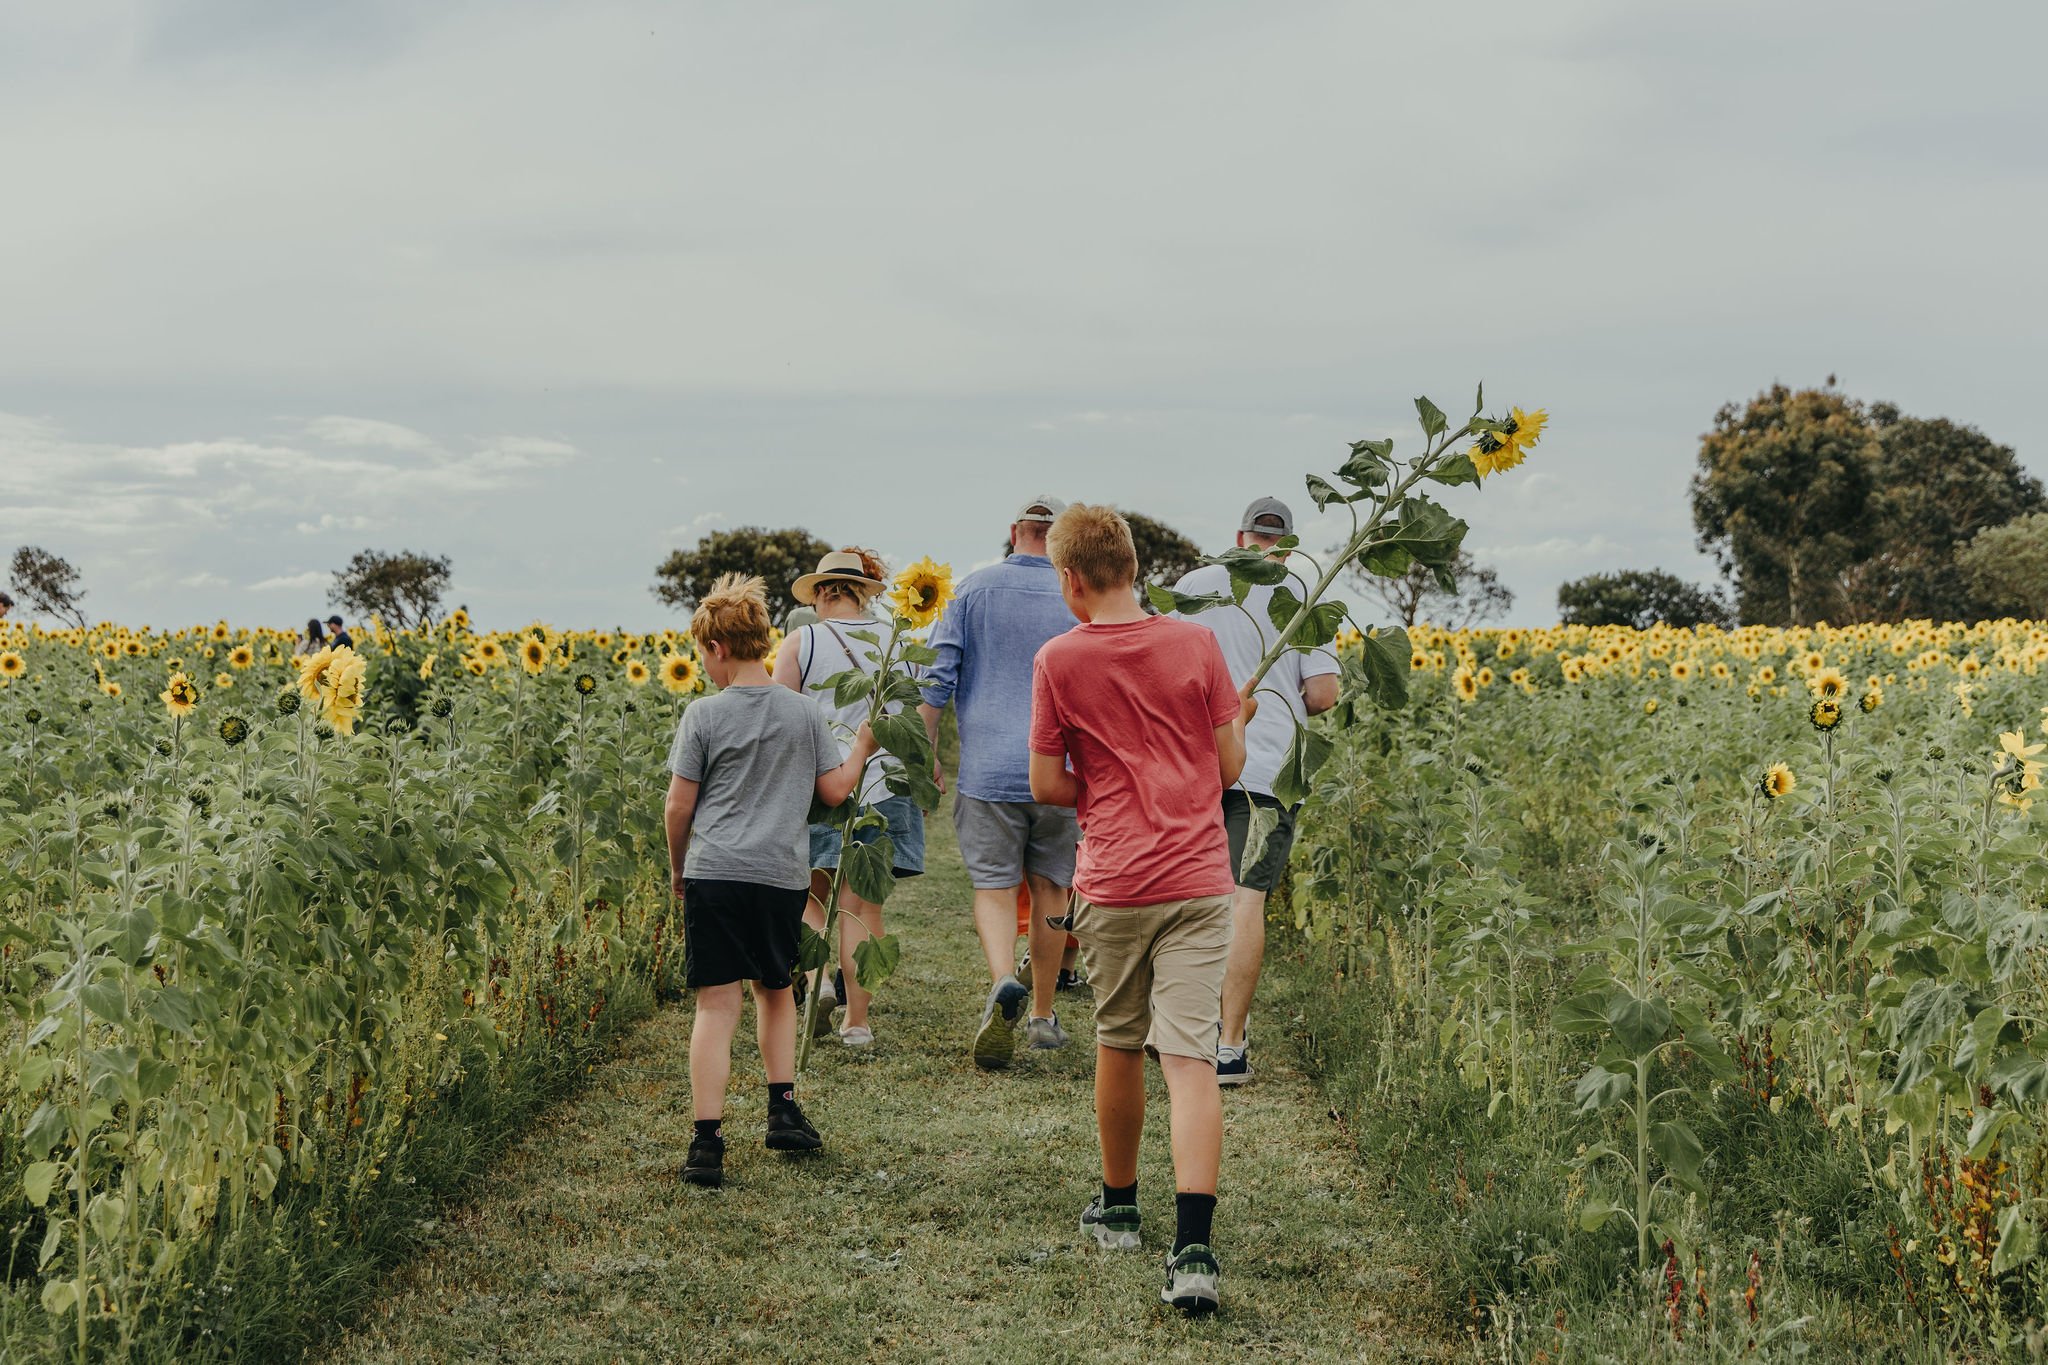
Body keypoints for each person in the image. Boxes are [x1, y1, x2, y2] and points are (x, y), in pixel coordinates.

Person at [1028, 503, 1252, 1315]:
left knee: (1120, 1039)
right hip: (1197, 877)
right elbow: (1228, 766)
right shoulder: (1196, 643)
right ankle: (1193, 1247)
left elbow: (1047, 784)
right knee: (1190, 1058)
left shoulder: (1058, 659)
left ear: (1071, 578)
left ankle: (1119, 1205)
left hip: (1116, 879)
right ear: (1131, 564)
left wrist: (1111, 784)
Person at [664, 573, 877, 1189]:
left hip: (716, 872)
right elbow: (835, 790)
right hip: (780, 876)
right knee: (775, 991)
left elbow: (679, 807)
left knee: (715, 1002)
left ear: (717, 649)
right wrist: (862, 744)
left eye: (703, 654)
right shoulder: (803, 711)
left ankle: (706, 1143)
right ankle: (782, 1107)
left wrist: (679, 868)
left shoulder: (703, 715)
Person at [1172, 497, 1340, 1085]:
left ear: (1239, 537)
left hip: (1189, 764)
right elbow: (1321, 696)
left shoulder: (1194, 584)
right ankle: (1229, 1046)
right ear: (1287, 545)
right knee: (1245, 899)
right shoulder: (1301, 595)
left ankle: (1172, 1027)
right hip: (1266, 771)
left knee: (1182, 895)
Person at [918, 496, 1080, 1069]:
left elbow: (937, 680)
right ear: (1060, 537)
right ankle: (1041, 1014)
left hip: (988, 771)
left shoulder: (970, 589)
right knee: (1051, 889)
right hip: (1061, 772)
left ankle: (1001, 979)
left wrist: (928, 753)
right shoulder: (1076, 593)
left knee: (992, 887)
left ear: (1015, 531)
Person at [774, 548, 928, 1048]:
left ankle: (817, 982)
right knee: (865, 907)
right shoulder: (899, 642)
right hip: (884, 785)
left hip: (822, 785)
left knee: (812, 894)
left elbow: (781, 723)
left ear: (821, 592)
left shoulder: (801, 641)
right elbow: (910, 722)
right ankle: (856, 1023)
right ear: (863, 591)